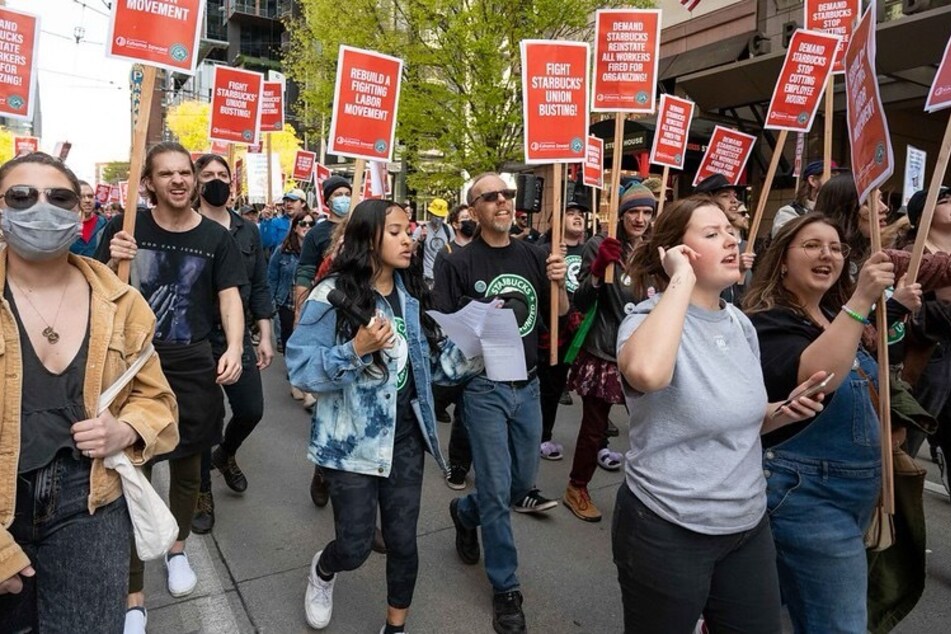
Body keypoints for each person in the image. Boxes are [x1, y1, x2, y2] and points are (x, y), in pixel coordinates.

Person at [613, 196, 825, 633]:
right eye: (711, 234)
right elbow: (647, 372)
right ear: (676, 252)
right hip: (666, 525)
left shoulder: (740, 323)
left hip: (746, 524)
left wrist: (782, 412)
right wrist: (680, 280)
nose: (730, 239)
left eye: (730, 229)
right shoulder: (644, 321)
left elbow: (740, 417)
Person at [0, 152, 178, 632]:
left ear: (79, 211)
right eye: (22, 196)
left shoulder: (122, 304)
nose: (41, 207)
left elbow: (158, 401)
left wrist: (126, 429)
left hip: (92, 501)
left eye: (58, 196)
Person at [287, 199, 481, 633]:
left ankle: (395, 627)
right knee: (355, 546)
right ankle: (323, 569)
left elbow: (429, 370)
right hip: (350, 443)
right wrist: (355, 350)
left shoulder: (413, 296)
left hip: (406, 438)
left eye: (408, 230)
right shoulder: (331, 294)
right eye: (394, 231)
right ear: (367, 237)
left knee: (402, 542)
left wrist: (478, 346)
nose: (408, 238)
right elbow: (300, 368)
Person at [97, 142, 246, 632]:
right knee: (131, 477)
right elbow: (93, 287)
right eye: (168, 174)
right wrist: (108, 254)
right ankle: (133, 592)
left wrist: (235, 348)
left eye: (186, 172)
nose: (180, 181)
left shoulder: (216, 237)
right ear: (149, 183)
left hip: (192, 364)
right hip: (133, 367)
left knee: (188, 468)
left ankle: (177, 549)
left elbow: (229, 297)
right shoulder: (126, 228)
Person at [744, 213, 895, 632]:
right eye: (812, 245)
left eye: (835, 247)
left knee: (780, 609)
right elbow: (820, 378)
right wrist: (861, 300)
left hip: (853, 498)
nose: (826, 254)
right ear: (782, 262)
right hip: (807, 499)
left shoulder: (834, 316)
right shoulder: (769, 320)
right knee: (840, 625)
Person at [434, 172, 568, 634]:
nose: (502, 201)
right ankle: (506, 588)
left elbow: (562, 313)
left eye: (507, 194)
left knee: (516, 487)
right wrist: (477, 324)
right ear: (473, 208)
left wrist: (559, 283)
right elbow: (446, 330)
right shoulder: (458, 262)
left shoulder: (534, 254)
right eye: (490, 196)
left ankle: (463, 513)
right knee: (495, 489)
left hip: (528, 386)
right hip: (485, 389)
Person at [191, 154, 275, 535]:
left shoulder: (248, 231)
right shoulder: (186, 226)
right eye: (207, 175)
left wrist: (266, 334)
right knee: (204, 420)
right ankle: (201, 493)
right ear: (195, 182)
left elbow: (258, 284)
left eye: (222, 175)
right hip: (193, 338)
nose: (215, 181)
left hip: (236, 336)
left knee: (251, 410)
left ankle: (224, 455)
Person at [563, 183, 654, 522]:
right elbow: (582, 300)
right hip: (604, 346)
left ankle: (652, 491)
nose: (641, 219)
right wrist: (599, 271)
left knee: (653, 425)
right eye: (634, 212)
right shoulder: (599, 244)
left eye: (647, 212)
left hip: (644, 349)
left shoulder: (655, 249)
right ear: (621, 215)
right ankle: (577, 487)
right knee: (594, 428)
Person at [537, 199, 588, 461]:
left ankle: (598, 440)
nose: (577, 217)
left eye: (580, 213)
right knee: (550, 384)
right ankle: (542, 434)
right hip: (552, 329)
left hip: (582, 327)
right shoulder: (544, 250)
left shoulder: (590, 250)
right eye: (570, 213)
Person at [432, 202, 477, 489]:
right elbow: (442, 298)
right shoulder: (447, 254)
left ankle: (460, 465)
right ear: (455, 224)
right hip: (455, 339)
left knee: (468, 407)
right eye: (465, 219)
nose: (470, 222)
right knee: (445, 390)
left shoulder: (483, 253)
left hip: (479, 341)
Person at [270, 212, 316, 355]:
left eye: (311, 224)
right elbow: (271, 277)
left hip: (311, 304)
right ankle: (292, 367)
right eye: (303, 223)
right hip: (287, 303)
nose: (307, 227)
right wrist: (270, 303)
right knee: (288, 339)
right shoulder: (282, 251)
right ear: (295, 228)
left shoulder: (319, 251)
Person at [771, 160, 844, 236]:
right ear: (813, 180)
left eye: (838, 178)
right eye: (832, 177)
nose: (836, 182)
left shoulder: (840, 213)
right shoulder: (789, 213)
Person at [412, 198, 454, 285]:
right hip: (426, 277)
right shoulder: (421, 229)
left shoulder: (448, 230)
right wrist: (420, 239)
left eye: (441, 216)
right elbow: (410, 249)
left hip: (444, 277)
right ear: (430, 214)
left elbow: (454, 249)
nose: (438, 219)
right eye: (436, 215)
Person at [69, 180, 108, 257]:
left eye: (90, 196)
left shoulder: (104, 224)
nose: (87, 200)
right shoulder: (65, 226)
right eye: (82, 197)